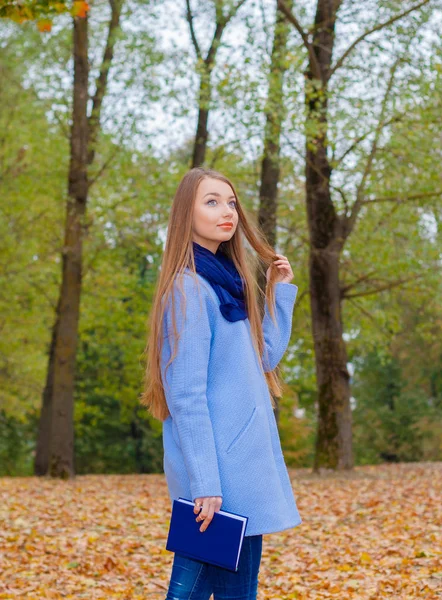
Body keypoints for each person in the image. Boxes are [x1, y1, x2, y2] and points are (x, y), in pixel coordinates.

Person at [140, 167, 302, 599]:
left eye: (230, 202)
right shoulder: (188, 288)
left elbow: (262, 357)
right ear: (185, 214)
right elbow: (186, 396)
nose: (226, 211)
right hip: (215, 480)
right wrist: (205, 485)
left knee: (237, 595)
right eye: (211, 202)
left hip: (242, 472)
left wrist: (277, 293)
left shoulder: (230, 281)